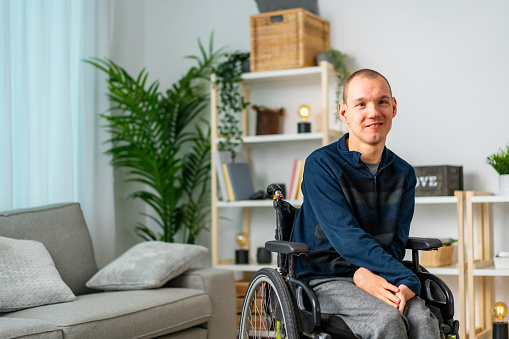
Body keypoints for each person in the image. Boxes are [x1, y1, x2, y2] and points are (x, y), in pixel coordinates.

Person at [292, 69, 440, 338]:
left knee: (423, 320)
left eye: (382, 102)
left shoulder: (403, 173)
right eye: (361, 104)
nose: (373, 112)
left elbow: (397, 242)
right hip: (325, 279)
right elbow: (346, 237)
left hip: (380, 274)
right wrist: (405, 278)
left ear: (393, 107)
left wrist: (385, 277)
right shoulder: (321, 165)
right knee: (387, 321)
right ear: (344, 112)